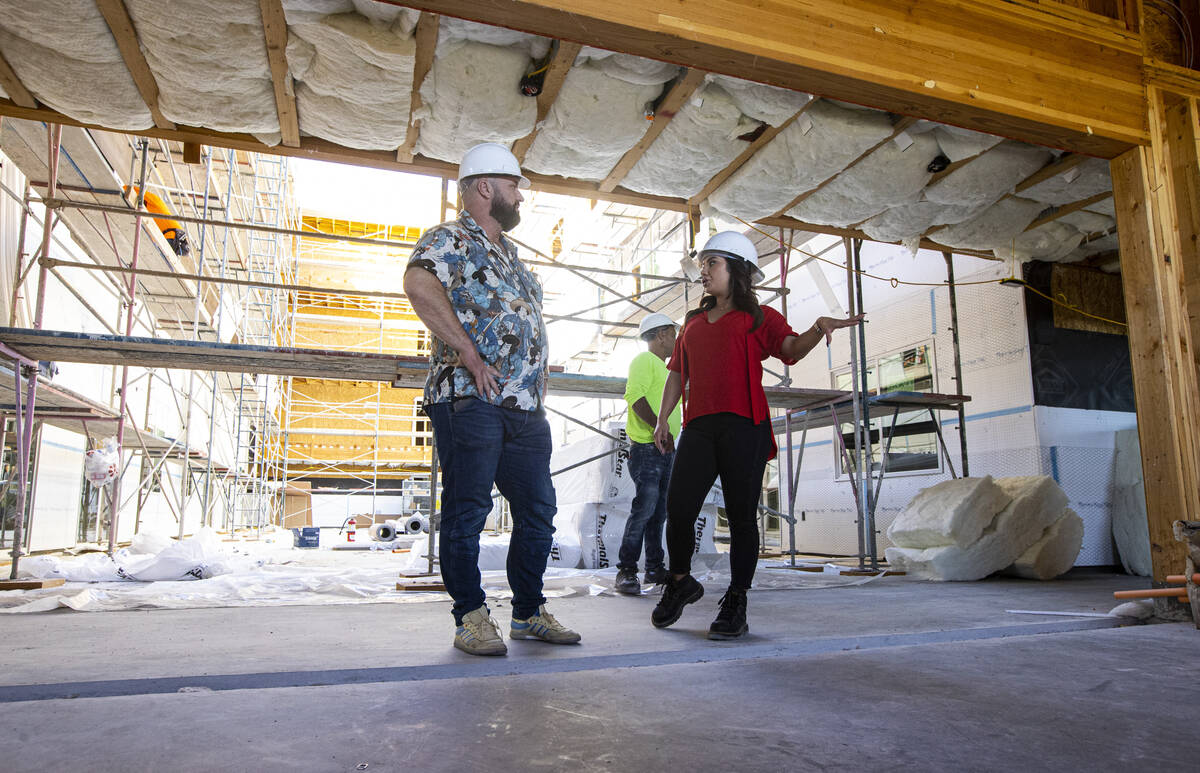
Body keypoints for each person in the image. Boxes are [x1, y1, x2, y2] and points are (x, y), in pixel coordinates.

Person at [403, 142, 580, 656]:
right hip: (469, 397)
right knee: (469, 509)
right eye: (513, 186)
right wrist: (468, 354)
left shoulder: (514, 257)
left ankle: (527, 612)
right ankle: (470, 617)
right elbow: (417, 283)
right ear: (485, 187)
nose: (520, 196)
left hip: (523, 407)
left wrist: (538, 371)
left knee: (538, 512)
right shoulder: (449, 239)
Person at [650, 231, 864, 640]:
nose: (704, 272)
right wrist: (664, 419)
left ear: (737, 269)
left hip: (744, 427)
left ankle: (737, 601)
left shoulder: (758, 316)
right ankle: (680, 581)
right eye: (703, 264)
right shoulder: (692, 322)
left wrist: (818, 328)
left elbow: (792, 348)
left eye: (712, 263)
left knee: (743, 518)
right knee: (677, 510)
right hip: (699, 427)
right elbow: (678, 372)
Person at [615, 312, 681, 595]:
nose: (677, 340)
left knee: (659, 513)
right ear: (662, 334)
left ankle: (655, 568)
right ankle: (626, 571)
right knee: (644, 510)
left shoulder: (667, 369)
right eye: (674, 334)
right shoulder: (645, 360)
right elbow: (635, 397)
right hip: (647, 448)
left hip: (664, 448)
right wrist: (659, 427)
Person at [123, 185, 190, 256]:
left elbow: (133, 189)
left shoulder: (155, 202)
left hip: (173, 236)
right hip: (175, 238)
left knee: (153, 251)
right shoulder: (150, 209)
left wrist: (123, 188)